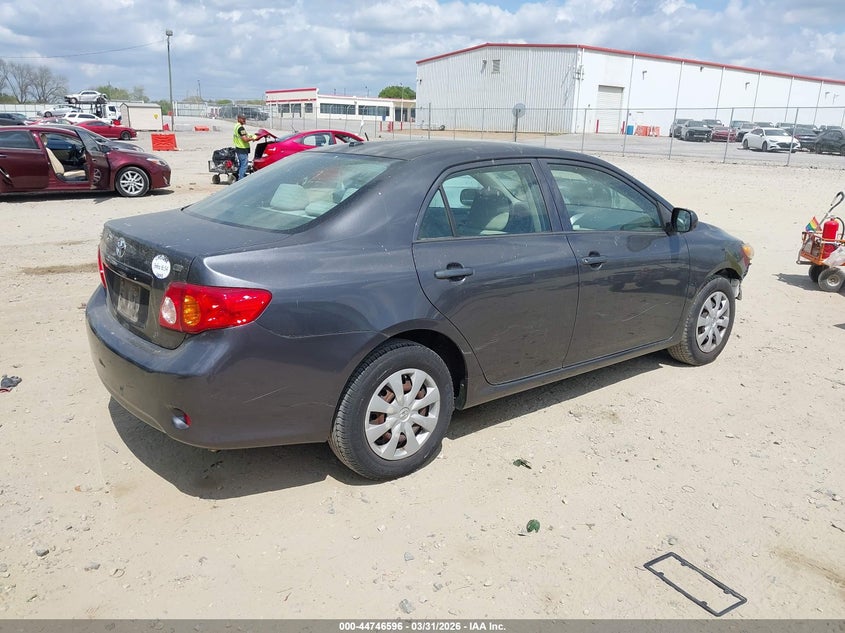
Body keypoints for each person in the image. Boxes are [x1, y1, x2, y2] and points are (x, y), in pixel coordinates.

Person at [232, 114, 257, 181]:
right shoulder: (240, 128)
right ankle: (241, 179)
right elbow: (245, 139)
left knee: (241, 164)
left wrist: (251, 135)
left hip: (238, 148)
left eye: (245, 119)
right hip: (242, 148)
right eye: (243, 119)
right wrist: (252, 138)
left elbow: (244, 135)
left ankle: (236, 176)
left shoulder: (236, 126)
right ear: (239, 119)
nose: (244, 120)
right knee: (244, 165)